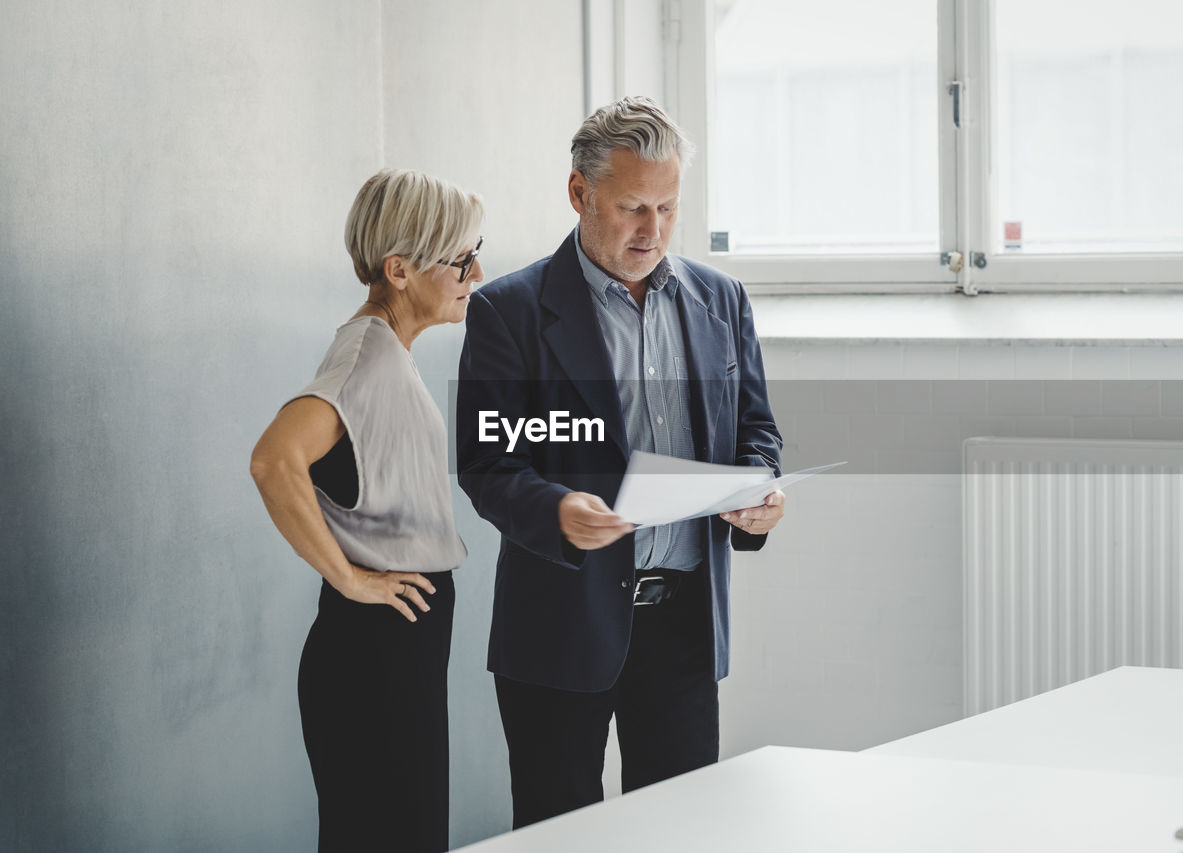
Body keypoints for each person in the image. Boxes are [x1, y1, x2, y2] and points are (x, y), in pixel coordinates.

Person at [455, 96, 784, 828]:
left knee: (678, 833)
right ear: (579, 193)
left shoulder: (721, 299)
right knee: (558, 830)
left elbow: (756, 431)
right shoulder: (509, 311)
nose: (654, 229)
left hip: (685, 630)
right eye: (634, 206)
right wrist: (556, 512)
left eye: (668, 206)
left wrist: (760, 492)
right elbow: (487, 461)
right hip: (560, 626)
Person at [249, 168, 483, 852]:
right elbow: (272, 461)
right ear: (400, 269)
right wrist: (352, 579)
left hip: (397, 645)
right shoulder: (369, 358)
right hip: (375, 652)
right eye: (461, 258)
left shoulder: (383, 350)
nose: (476, 271)